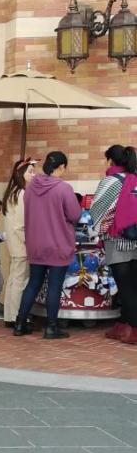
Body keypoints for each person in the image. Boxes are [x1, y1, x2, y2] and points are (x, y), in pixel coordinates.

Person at [13, 150, 82, 340]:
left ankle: (20, 323)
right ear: (61, 167)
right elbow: (75, 215)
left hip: (36, 244)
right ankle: (51, 327)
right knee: (54, 286)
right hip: (58, 245)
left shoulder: (30, 187)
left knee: (33, 284)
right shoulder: (64, 189)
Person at [88, 144, 137, 343]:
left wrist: (101, 230)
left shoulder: (111, 181)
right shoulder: (135, 179)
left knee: (125, 288)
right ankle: (122, 325)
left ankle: (134, 331)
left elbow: (97, 211)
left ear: (110, 160)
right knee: (133, 286)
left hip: (118, 242)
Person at [0, 158, 38, 327]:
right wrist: (29, 244)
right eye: (30, 171)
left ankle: (10, 316)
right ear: (20, 174)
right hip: (21, 246)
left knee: (13, 281)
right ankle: (17, 317)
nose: (33, 174)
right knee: (20, 282)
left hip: (14, 245)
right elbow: (20, 226)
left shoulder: (12, 192)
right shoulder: (22, 193)